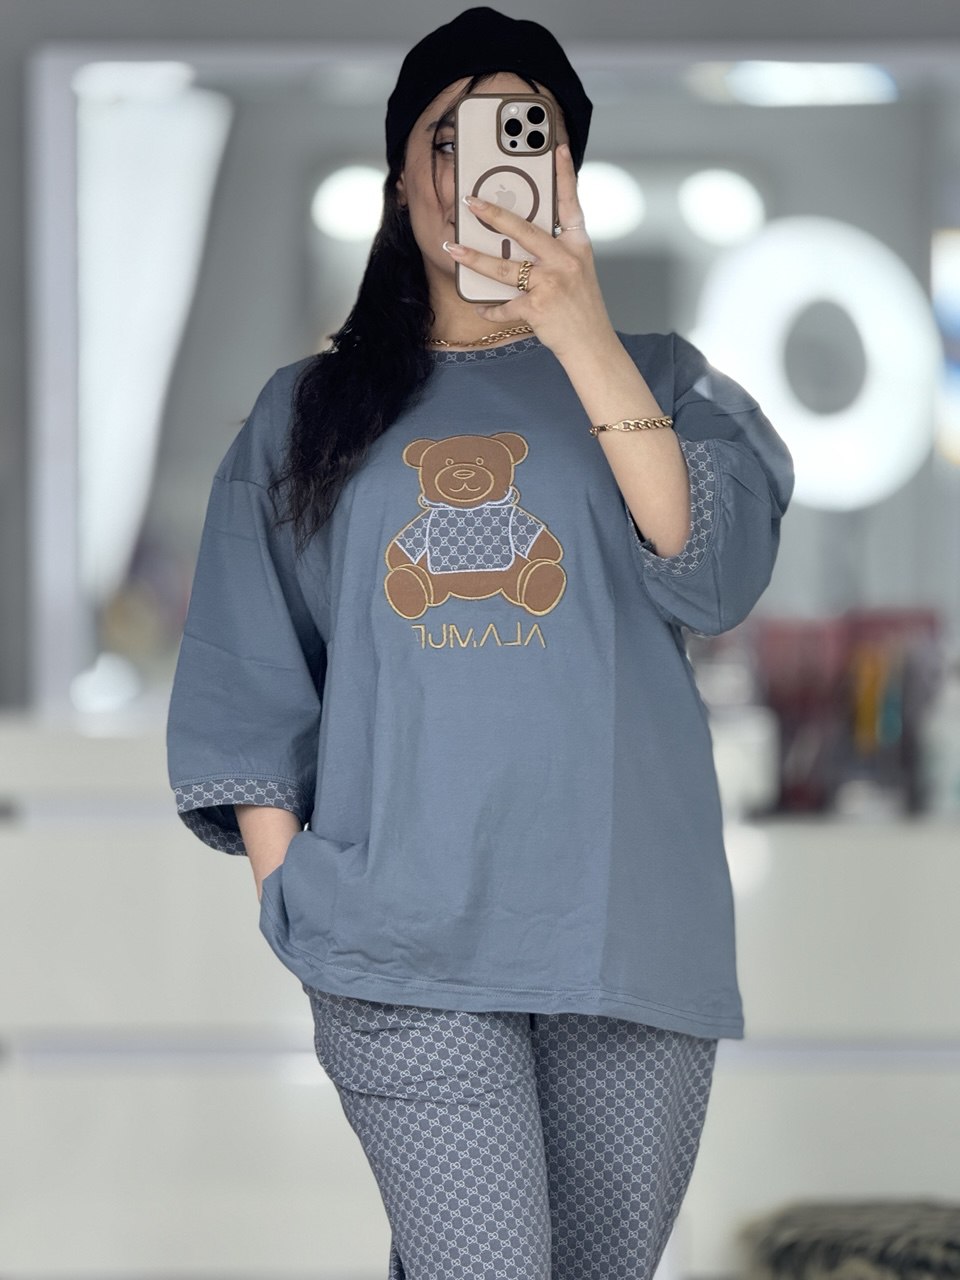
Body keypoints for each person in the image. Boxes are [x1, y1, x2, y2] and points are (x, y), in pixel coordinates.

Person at [167, 8, 794, 1278]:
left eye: (523, 134)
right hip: (398, 938)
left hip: (629, 931)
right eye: (445, 141)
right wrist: (295, 890)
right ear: (401, 177)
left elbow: (715, 574)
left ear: (570, 171)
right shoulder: (308, 410)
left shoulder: (666, 380)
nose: (477, 170)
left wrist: (582, 332)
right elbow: (248, 671)